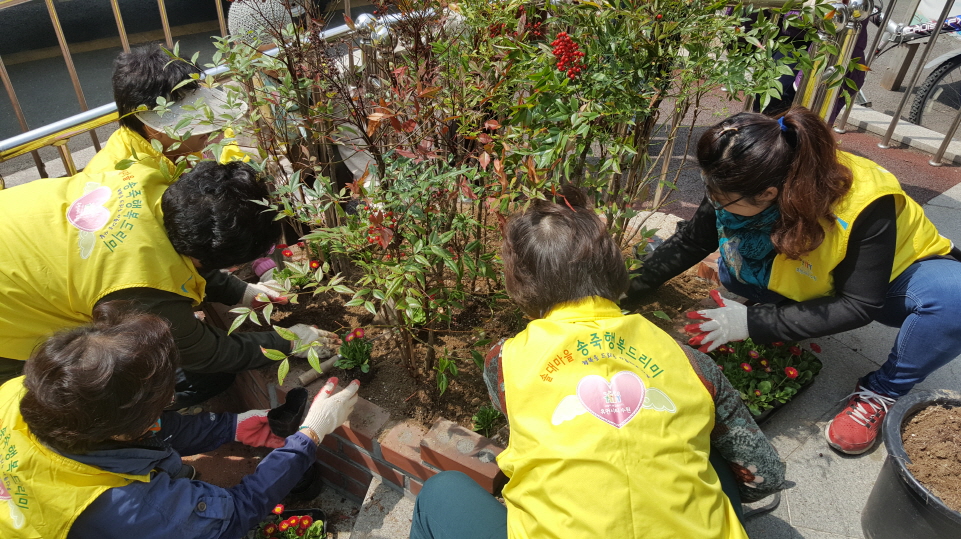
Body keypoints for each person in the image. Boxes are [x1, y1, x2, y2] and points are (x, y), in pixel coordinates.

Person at [410, 186, 785, 539]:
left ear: (519, 283)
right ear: (614, 268)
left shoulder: (505, 362)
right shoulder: (689, 362)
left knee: (441, 491)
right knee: (711, 447)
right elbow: (764, 476)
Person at [0, 45, 340, 406]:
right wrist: (287, 341)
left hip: (21, 247)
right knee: (72, 397)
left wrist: (239, 292)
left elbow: (181, 251)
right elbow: (205, 352)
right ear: (157, 129)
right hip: (9, 302)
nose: (212, 134)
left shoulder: (144, 181)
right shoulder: (140, 280)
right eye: (201, 127)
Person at [623, 106, 961, 455]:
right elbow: (695, 239)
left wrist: (753, 322)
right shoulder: (747, 173)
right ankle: (785, 307)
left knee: (955, 298)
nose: (712, 201)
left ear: (769, 194)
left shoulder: (865, 202)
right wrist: (628, 285)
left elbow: (860, 304)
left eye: (719, 196)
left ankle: (883, 390)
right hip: (813, 274)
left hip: (891, 281)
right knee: (734, 269)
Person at [0, 301, 359, 539]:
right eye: (164, 398)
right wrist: (310, 434)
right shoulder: (124, 507)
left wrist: (231, 426)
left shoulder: (27, 392)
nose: (171, 400)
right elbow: (234, 514)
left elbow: (145, 431)